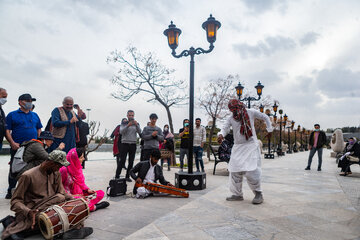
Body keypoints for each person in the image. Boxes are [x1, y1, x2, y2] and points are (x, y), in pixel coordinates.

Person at [1, 150, 93, 240]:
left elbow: (62, 192)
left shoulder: (56, 173)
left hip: (51, 207)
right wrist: (28, 211)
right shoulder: (28, 176)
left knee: (65, 206)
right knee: (56, 205)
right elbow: (15, 201)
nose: (59, 169)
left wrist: (75, 199)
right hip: (33, 210)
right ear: (51, 163)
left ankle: (63, 231)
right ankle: (17, 225)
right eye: (59, 166)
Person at [218, 99, 272, 204]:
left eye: (235, 109)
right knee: (234, 170)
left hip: (251, 145)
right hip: (238, 147)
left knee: (252, 171)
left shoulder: (250, 112)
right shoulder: (231, 118)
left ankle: (258, 193)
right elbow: (225, 128)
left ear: (240, 106)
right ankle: (237, 194)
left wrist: (269, 130)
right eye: (232, 110)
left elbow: (265, 117)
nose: (234, 112)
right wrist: (220, 135)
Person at [5, 94, 42, 199]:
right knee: (15, 168)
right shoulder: (12, 115)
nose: (30, 103)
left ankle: (30, 191)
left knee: (33, 169)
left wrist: (39, 141)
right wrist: (12, 142)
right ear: (20, 102)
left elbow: (39, 128)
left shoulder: (35, 115)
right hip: (18, 147)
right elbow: (7, 131)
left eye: (31, 101)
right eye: (28, 101)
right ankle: (11, 189)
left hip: (33, 147)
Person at [116, 111, 142, 182]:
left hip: (133, 144)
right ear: (127, 115)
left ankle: (127, 176)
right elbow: (121, 132)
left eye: (132, 115)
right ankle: (117, 176)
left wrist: (136, 125)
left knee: (131, 161)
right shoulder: (124, 123)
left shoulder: (137, 123)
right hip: (125, 144)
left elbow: (140, 132)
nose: (131, 117)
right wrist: (128, 125)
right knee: (122, 160)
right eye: (130, 115)